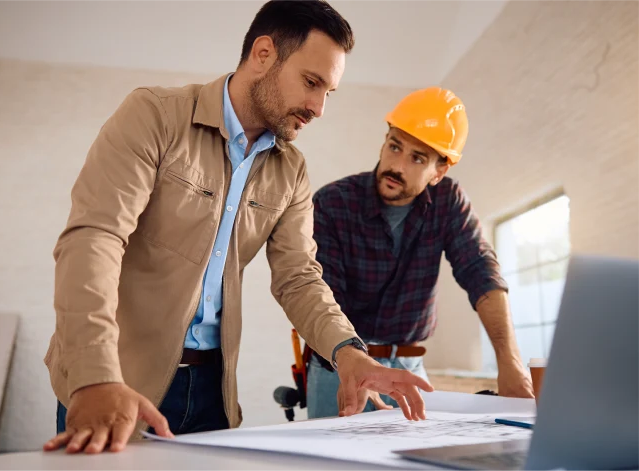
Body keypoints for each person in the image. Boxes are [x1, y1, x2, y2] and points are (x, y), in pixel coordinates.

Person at [42, 0, 433, 455]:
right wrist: (95, 375)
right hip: (117, 378)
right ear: (263, 54)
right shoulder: (154, 115)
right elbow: (95, 239)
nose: (319, 108)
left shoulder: (292, 170)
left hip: (214, 393)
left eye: (329, 92)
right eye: (311, 83)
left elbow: (299, 277)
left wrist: (349, 354)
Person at [307, 87, 535, 419]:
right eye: (394, 147)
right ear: (385, 140)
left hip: (408, 364)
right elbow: (324, 296)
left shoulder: (448, 201)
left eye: (417, 158)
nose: (396, 166)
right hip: (340, 363)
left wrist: (510, 363)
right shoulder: (332, 202)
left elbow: (480, 272)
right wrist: (357, 362)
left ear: (439, 172)